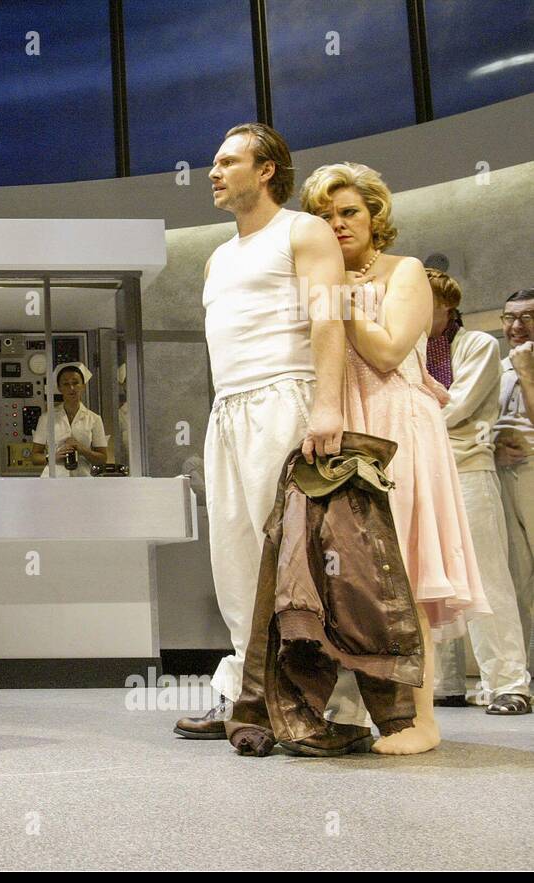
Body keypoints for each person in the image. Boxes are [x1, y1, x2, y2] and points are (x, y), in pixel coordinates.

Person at [299, 161, 488, 753]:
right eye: (325, 216)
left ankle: (421, 721)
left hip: (397, 426)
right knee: (348, 576)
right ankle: (355, 712)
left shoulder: (405, 272)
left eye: (349, 211)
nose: (338, 224)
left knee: (400, 569)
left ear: (375, 215)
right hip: (345, 426)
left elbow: (385, 353)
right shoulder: (314, 274)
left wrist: (344, 302)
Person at [174, 123, 351, 743]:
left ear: (267, 168)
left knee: (298, 558)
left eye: (227, 162)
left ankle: (313, 699)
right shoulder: (218, 256)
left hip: (286, 398)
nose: (213, 173)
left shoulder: (303, 231)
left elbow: (329, 322)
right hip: (229, 410)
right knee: (235, 559)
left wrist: (326, 408)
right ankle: (247, 694)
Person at [425, 271, 531, 715]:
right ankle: (444, 682)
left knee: (487, 577)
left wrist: (409, 411)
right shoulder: (409, 349)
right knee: (432, 581)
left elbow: (457, 408)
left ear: (445, 307)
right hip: (422, 469)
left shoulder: (479, 346)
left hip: (468, 469)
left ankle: (509, 683)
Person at [493, 289, 534, 671]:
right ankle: (521, 672)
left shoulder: (520, 367)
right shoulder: (498, 366)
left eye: (527, 316)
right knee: (514, 578)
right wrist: (494, 448)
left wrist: (527, 372)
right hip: (502, 475)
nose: (517, 326)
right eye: (510, 317)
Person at [31, 363, 108, 476]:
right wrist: (52, 457)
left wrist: (83, 450)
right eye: (66, 384)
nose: (71, 388)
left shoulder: (94, 419)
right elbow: (35, 457)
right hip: (54, 478)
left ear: (83, 385)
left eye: (75, 383)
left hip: (82, 478)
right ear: (59, 388)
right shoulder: (47, 418)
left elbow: (102, 459)